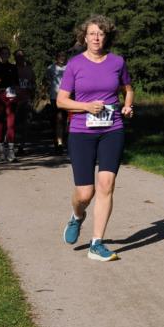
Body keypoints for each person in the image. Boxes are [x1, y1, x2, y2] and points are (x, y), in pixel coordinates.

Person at [55, 15, 134, 261]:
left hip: (112, 129)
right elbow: (61, 101)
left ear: (106, 36)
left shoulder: (117, 62)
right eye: (92, 33)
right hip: (81, 132)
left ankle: (96, 243)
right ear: (85, 37)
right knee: (85, 194)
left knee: (106, 185)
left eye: (100, 33)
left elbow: (128, 89)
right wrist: (86, 107)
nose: (96, 38)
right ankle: (77, 215)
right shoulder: (75, 64)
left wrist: (128, 105)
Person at [0, 45, 19, 162]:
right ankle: (1, 152)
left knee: (11, 123)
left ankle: (11, 152)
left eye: (7, 53)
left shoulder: (13, 67)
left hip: (10, 96)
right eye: (3, 53)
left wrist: (17, 95)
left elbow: (17, 83)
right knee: (0, 124)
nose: (5, 55)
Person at [14, 49, 36, 156]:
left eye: (22, 56)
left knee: (25, 124)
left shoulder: (29, 69)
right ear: (15, 57)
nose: (20, 58)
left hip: (26, 100)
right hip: (14, 100)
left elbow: (33, 83)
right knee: (13, 124)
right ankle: (11, 146)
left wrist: (32, 90)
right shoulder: (12, 69)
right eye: (18, 56)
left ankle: (21, 147)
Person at [46, 50, 69, 153]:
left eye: (64, 55)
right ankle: (58, 143)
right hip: (55, 97)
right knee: (58, 120)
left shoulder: (69, 67)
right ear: (56, 57)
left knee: (66, 120)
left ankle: (64, 141)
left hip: (68, 97)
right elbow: (48, 80)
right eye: (60, 55)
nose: (62, 57)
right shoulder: (51, 68)